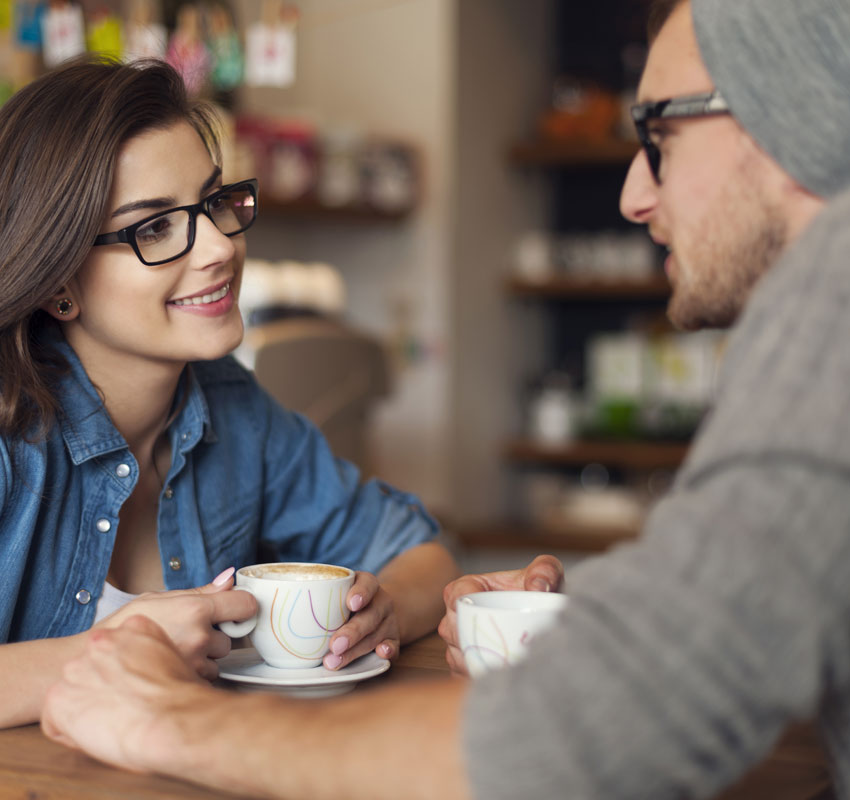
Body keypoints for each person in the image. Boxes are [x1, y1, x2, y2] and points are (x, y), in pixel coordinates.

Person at [40, 0, 850, 797]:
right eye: (153, 228)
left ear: (790, 109)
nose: (632, 195)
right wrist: (602, 616)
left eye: (660, 136)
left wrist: (169, 722)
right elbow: (737, 624)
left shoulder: (831, 314)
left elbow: (615, 723)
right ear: (57, 277)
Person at [0, 56, 459, 730]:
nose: (218, 247)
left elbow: (423, 552)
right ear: (56, 282)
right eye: (153, 227)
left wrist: (378, 610)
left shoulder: (233, 409)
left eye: (213, 203)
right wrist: (117, 653)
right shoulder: (12, 438)